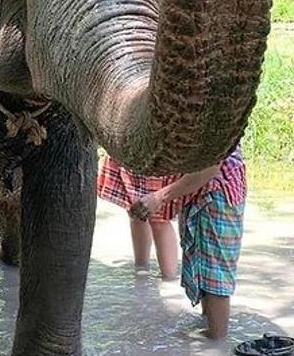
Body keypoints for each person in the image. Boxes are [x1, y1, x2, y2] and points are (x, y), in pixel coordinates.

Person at [129, 145, 247, 339]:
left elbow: (211, 166)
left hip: (215, 195)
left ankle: (215, 338)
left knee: (215, 276)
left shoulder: (216, 121)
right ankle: (210, 330)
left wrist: (159, 197)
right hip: (208, 195)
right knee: (205, 272)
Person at [97, 154, 179, 279]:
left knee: (160, 217)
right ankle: (141, 270)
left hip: (161, 153)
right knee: (135, 210)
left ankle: (169, 277)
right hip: (131, 152)